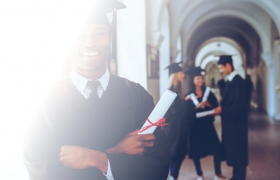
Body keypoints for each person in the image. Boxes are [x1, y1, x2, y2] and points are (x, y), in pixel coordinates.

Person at [23, 1, 170, 180]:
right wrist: (114, 153)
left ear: (110, 38)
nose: (90, 43)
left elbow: (158, 167)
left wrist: (97, 159)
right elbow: (39, 171)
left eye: (99, 33)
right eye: (80, 34)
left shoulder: (137, 96)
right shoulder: (48, 100)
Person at [184, 67, 227, 180]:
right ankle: (200, 174)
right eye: (198, 78)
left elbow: (216, 106)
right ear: (193, 80)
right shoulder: (189, 95)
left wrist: (208, 105)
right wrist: (196, 106)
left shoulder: (209, 92)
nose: (200, 81)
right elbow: (186, 112)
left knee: (217, 149)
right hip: (195, 126)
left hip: (207, 125)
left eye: (201, 78)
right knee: (196, 152)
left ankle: (217, 174)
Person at [214, 55, 249, 180]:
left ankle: (239, 177)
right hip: (231, 124)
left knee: (238, 151)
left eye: (221, 68)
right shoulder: (230, 81)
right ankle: (236, 176)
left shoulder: (238, 81)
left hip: (237, 124)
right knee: (234, 151)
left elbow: (238, 105)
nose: (220, 71)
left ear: (228, 65)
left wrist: (222, 109)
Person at [162, 63, 189, 180]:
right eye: (181, 73)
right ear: (175, 75)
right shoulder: (171, 91)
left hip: (178, 127)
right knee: (176, 154)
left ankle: (173, 176)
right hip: (174, 129)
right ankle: (173, 176)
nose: (183, 75)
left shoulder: (177, 89)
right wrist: (186, 103)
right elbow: (174, 111)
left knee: (177, 154)